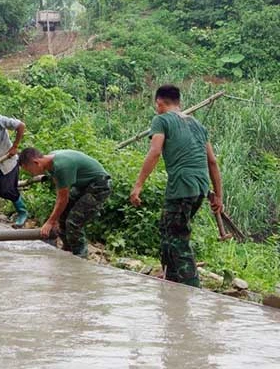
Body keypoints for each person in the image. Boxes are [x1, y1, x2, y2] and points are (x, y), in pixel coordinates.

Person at [130, 85, 224, 287]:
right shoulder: (197, 124)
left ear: (159, 103)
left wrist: (138, 185)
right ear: (178, 102)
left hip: (182, 187)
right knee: (166, 230)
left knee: (177, 238)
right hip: (200, 188)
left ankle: (191, 288)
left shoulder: (161, 120)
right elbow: (213, 162)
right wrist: (218, 196)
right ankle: (171, 282)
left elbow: (155, 152)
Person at [19, 148, 112, 258]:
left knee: (73, 222)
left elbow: (63, 199)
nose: (31, 174)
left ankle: (79, 258)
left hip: (99, 185)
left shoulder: (61, 166)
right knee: (62, 217)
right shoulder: (50, 163)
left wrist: (50, 222)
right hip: (83, 185)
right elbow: (60, 194)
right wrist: (54, 220)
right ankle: (68, 250)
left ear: (36, 163)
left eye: (30, 171)